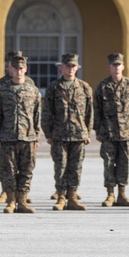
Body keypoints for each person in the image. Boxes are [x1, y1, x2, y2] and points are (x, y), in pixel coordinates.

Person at [42, 53, 94, 211]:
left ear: (77, 68)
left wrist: (87, 132)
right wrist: (48, 134)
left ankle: (72, 196)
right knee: (60, 167)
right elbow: (47, 113)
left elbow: (89, 113)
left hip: (78, 135)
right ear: (61, 68)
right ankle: (61, 197)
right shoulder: (54, 87)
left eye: (73, 66)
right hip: (59, 134)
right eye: (67, 66)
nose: (70, 69)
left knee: (76, 167)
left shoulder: (84, 87)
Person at [0, 54, 40, 213]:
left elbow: (37, 114)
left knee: (27, 170)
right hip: (8, 136)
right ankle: (11, 201)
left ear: (25, 69)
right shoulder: (2, 91)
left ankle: (23, 200)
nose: (18, 71)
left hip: (28, 137)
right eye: (15, 68)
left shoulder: (33, 90)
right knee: (8, 170)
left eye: (21, 68)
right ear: (10, 69)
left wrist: (36, 136)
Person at [93, 53, 129, 207]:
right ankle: (110, 194)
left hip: (127, 133)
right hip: (108, 133)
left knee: (124, 163)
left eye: (119, 65)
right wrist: (98, 130)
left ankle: (122, 194)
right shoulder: (103, 86)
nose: (116, 68)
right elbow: (96, 110)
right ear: (109, 67)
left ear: (123, 67)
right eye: (114, 65)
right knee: (109, 164)